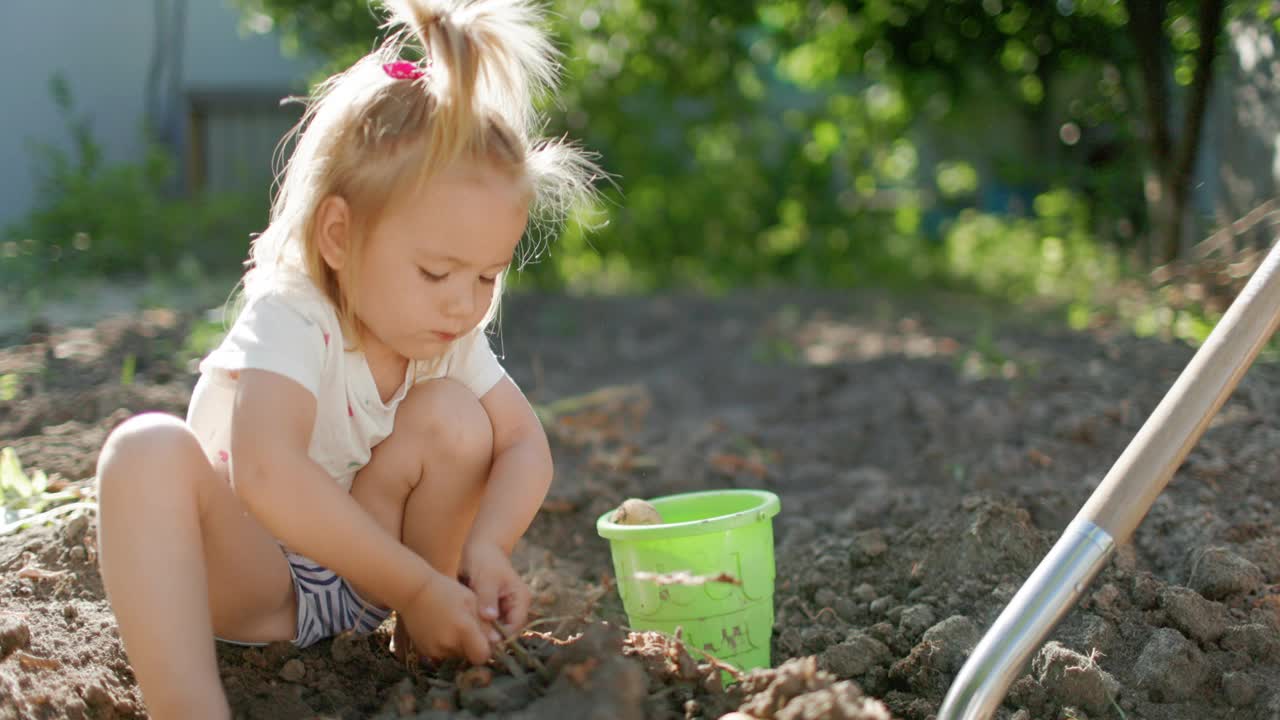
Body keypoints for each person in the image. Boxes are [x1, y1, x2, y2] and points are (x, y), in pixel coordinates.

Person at [93, 1, 600, 717]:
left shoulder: (445, 334)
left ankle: (425, 648)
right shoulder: (296, 315)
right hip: (258, 583)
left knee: (457, 417)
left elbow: (524, 443)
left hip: (374, 595)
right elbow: (268, 474)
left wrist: (484, 549)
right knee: (143, 451)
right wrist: (419, 585)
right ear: (338, 235)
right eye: (436, 273)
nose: (464, 305)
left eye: (487, 277)